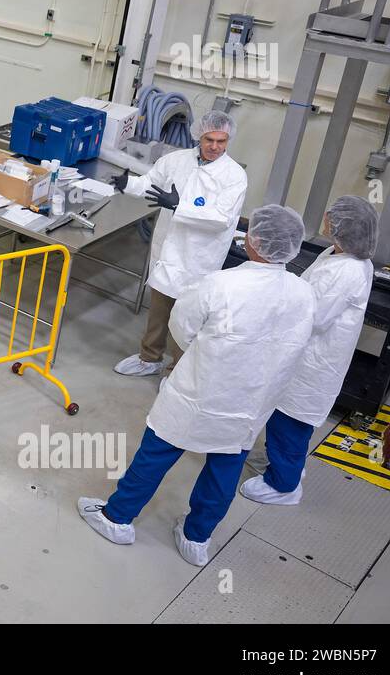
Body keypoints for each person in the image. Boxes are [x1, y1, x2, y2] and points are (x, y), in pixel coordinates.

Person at [78, 205, 314, 566]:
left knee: (157, 452)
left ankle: (117, 518)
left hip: (201, 391)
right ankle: (196, 537)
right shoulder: (303, 293)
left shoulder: (220, 283)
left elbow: (182, 328)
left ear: (253, 241)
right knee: (225, 466)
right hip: (251, 400)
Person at [241, 196, 378, 506]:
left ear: (343, 227)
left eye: (332, 216)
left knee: (290, 421)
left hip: (313, 364)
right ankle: (282, 465)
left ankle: (284, 486)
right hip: (306, 356)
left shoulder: (348, 270)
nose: (326, 217)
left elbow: (315, 316)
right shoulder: (340, 255)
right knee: (283, 417)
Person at [111, 111, 248, 377]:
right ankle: (149, 358)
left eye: (222, 141)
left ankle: (177, 371)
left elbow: (222, 219)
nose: (215, 147)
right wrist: (129, 184)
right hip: (168, 250)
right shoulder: (176, 160)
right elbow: (150, 183)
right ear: (199, 136)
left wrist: (179, 205)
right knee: (159, 309)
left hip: (199, 259)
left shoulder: (233, 176)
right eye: (209, 139)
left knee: (187, 319)